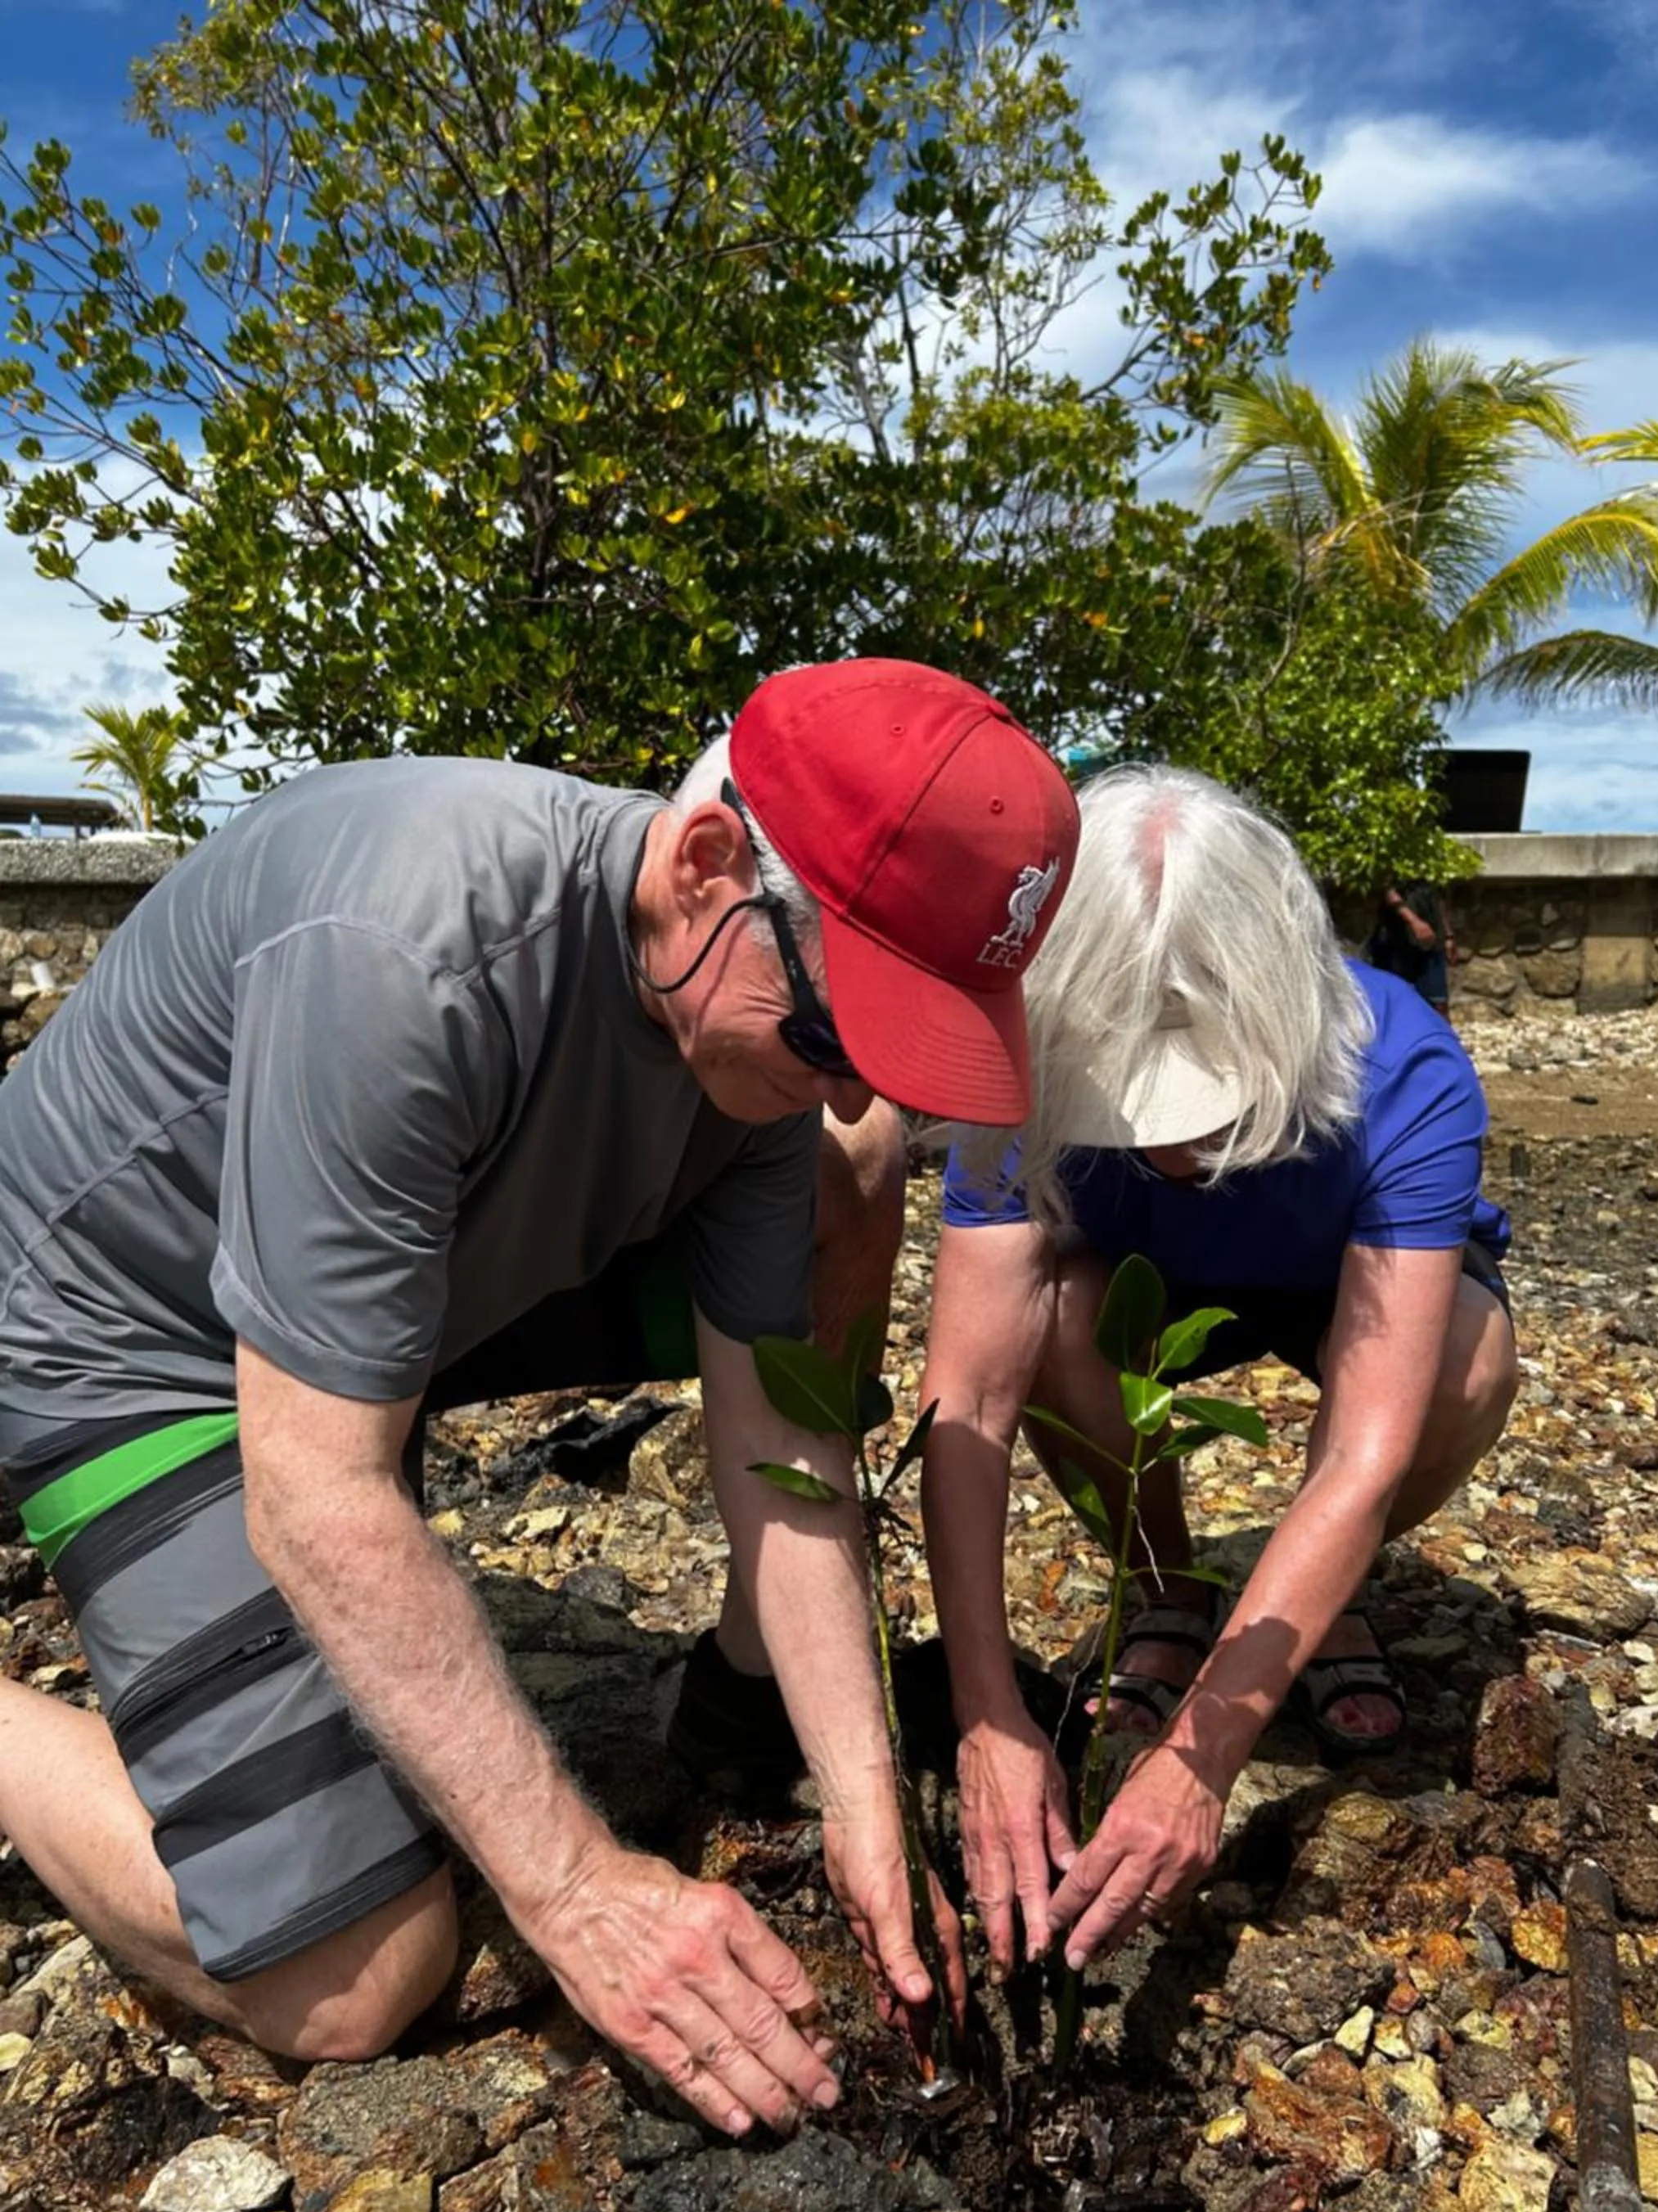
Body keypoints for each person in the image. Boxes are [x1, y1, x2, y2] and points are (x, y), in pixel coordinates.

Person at [0, 659, 1078, 2136]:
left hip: (416, 1281)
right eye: (835, 1040)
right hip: (129, 1326)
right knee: (353, 1979)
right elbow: (313, 1493)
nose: (840, 1085)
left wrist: (861, 1797)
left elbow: (778, 1428)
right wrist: (579, 1889)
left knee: (856, 1167)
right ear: (706, 867)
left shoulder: (738, 1023)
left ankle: (741, 1691)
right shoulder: (407, 955)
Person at [917, 765, 1517, 1984]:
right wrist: (989, 1715)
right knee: (1050, 1318)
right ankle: (1170, 1589)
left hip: (1346, 1283)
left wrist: (1201, 1758)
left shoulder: (1401, 1064)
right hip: (1141, 1283)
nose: (1178, 1148)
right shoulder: (1019, 1062)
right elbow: (966, 1399)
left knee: (1470, 1359)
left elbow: (1366, 1449)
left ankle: (1317, 1602)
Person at [1363, 877, 1457, 1016]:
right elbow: (1388, 890)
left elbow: (1439, 897)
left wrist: (1448, 935)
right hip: (1398, 938)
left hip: (1431, 937)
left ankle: (1438, 1029)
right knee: (1395, 999)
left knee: (1438, 1002)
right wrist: (1414, 921)